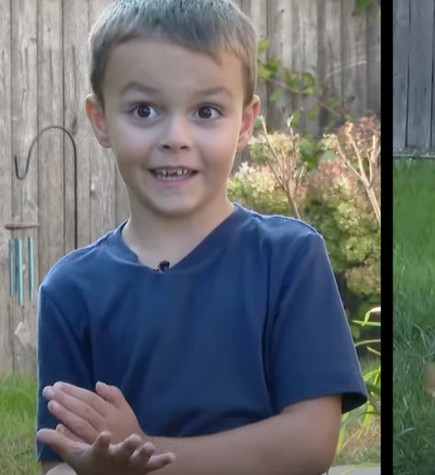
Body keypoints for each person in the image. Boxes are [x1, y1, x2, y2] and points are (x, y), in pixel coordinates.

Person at [34, 1, 368, 474]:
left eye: (206, 111)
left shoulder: (289, 259)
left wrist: (147, 453)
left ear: (246, 123)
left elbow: (311, 441)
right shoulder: (70, 290)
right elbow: (60, 461)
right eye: (144, 109)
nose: (176, 136)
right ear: (101, 119)